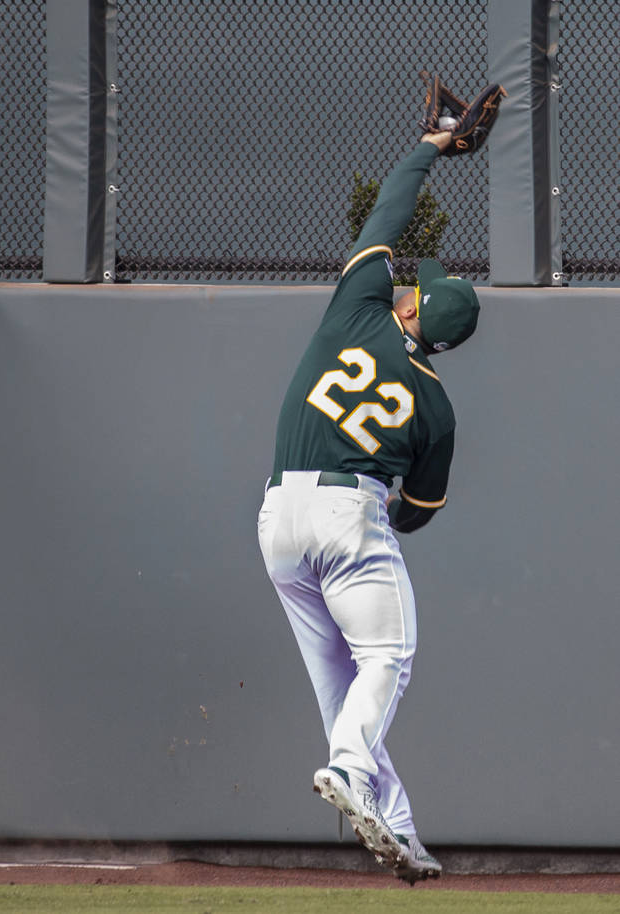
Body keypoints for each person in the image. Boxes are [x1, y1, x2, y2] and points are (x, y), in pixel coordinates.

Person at [257, 129, 479, 885]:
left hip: (278, 519)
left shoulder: (360, 305)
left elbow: (387, 213)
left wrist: (427, 149)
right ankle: (351, 773)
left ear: (415, 308)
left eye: (420, 286)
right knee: (385, 658)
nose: (414, 283)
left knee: (340, 685)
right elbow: (419, 508)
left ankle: (402, 832)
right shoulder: (437, 405)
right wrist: (384, 507)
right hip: (350, 515)